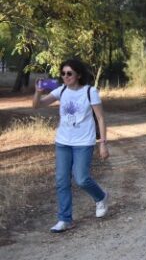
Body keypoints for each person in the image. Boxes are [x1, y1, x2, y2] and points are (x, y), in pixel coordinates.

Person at [32, 58, 109, 233]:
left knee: (81, 178)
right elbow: (37, 105)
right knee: (61, 181)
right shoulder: (62, 90)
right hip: (63, 142)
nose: (65, 76)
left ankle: (101, 197)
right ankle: (65, 219)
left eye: (69, 73)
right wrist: (38, 92)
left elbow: (101, 118)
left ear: (78, 75)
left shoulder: (90, 92)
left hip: (84, 142)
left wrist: (103, 143)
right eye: (63, 73)